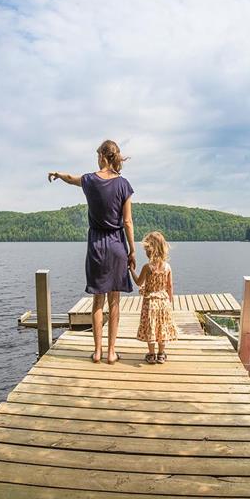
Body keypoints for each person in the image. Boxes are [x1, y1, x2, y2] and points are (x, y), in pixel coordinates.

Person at [48, 140, 135, 364]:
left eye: (97, 156)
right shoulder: (124, 184)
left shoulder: (89, 180)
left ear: (103, 157)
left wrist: (57, 174)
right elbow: (127, 222)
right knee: (114, 301)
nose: (96, 160)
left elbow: (71, 178)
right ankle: (111, 353)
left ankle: (97, 352)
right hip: (117, 245)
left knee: (98, 301)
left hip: (96, 244)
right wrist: (132, 251)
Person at [129, 231, 177, 364]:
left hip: (150, 303)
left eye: (146, 249)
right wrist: (170, 302)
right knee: (162, 327)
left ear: (151, 250)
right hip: (163, 302)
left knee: (151, 326)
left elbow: (138, 282)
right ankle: (161, 354)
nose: (145, 252)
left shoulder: (147, 267)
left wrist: (131, 270)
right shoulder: (167, 267)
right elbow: (170, 286)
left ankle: (151, 355)